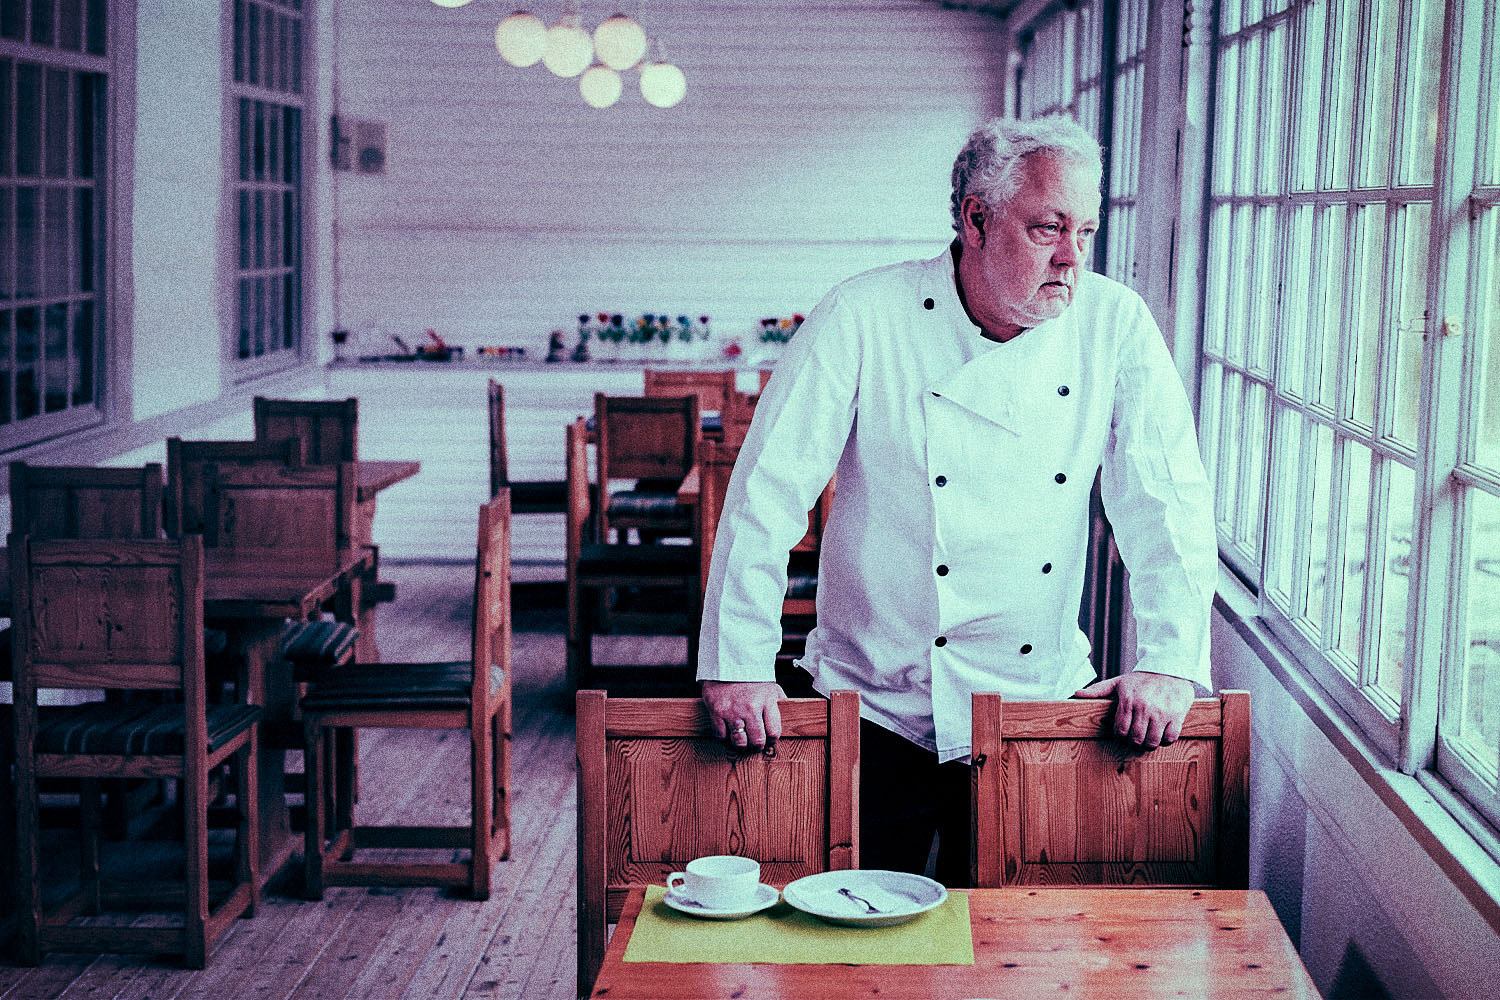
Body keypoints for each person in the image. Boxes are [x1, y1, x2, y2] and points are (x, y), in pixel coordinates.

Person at [695, 115, 1218, 886]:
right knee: (853, 945)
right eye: (1047, 229)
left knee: (1027, 953)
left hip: (1036, 706)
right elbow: (767, 494)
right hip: (871, 707)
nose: (1072, 258)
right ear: (975, 219)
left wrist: (1170, 660)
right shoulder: (863, 316)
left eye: (1084, 230)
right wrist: (737, 662)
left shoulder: (1115, 325)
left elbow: (1166, 500)